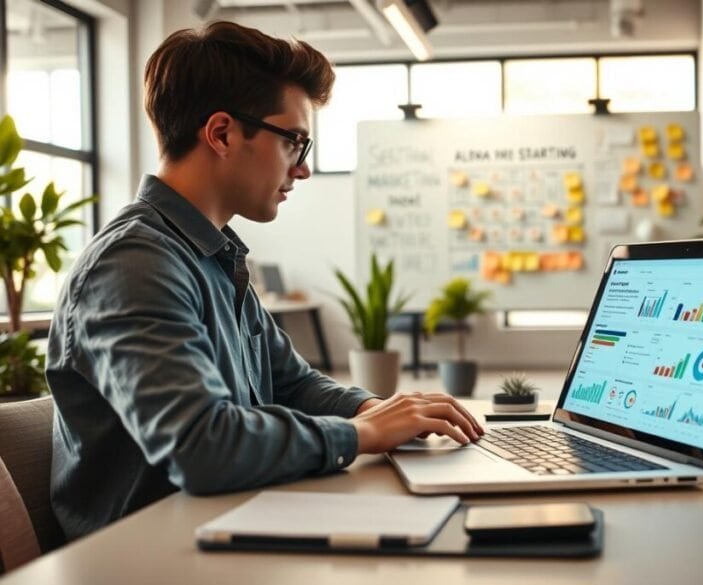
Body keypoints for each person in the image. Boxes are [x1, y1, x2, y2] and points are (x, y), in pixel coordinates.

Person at [46, 20, 482, 541]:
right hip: (149, 555)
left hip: (220, 525)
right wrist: (360, 433)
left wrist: (380, 410)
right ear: (223, 133)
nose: (303, 170)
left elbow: (292, 383)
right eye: (295, 142)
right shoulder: (134, 264)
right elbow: (200, 447)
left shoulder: (211, 254)